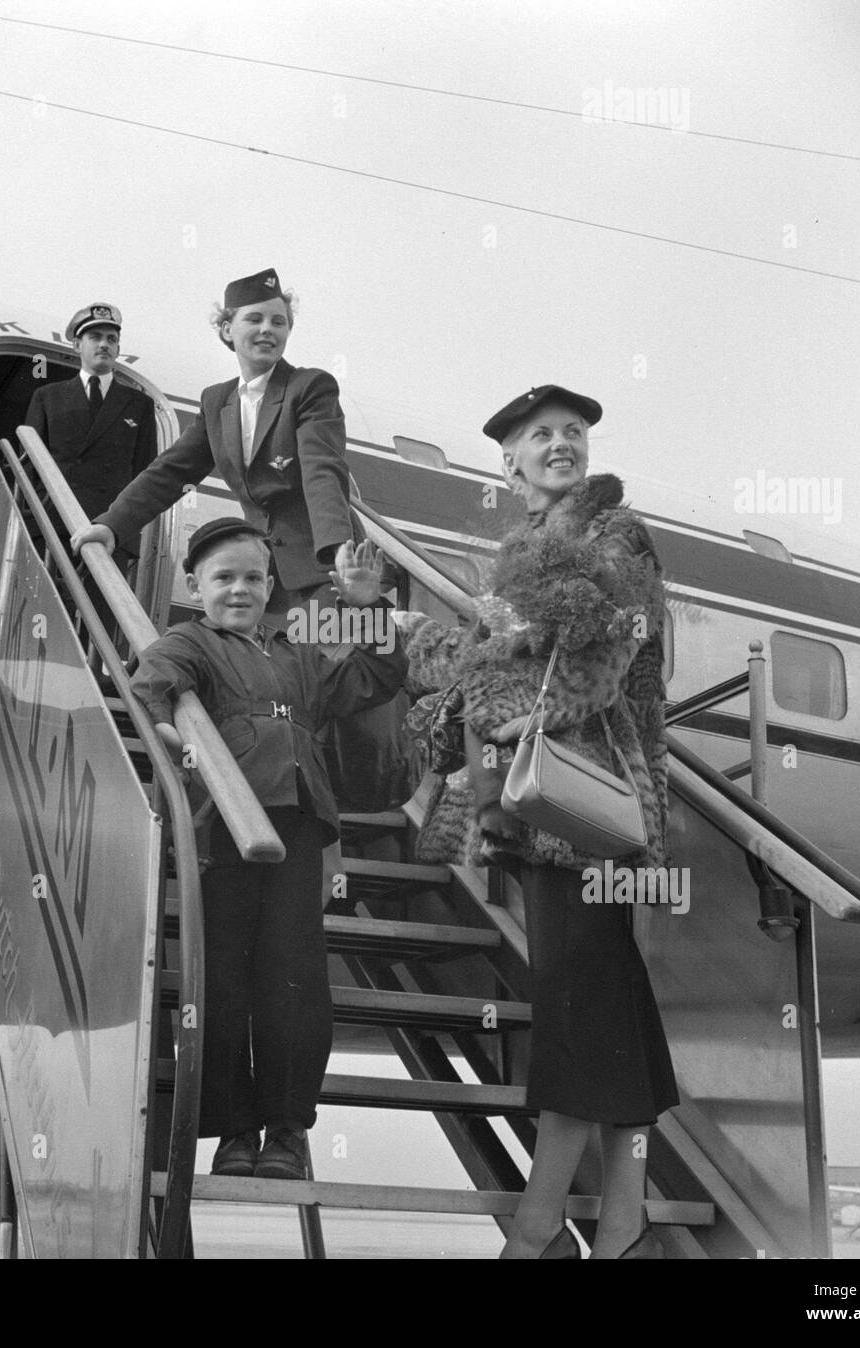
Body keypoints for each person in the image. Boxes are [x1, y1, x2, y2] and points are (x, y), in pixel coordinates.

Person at [397, 384, 677, 1258]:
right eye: (540, 436)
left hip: (586, 794)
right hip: (533, 802)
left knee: (572, 1003)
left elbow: (614, 644)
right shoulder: (518, 550)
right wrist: (459, 689)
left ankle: (537, 1223)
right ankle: (621, 1227)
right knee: (604, 1003)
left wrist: (517, 710)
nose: (560, 445)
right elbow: (497, 658)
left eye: (572, 433)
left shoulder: (613, 534)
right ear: (509, 460)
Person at [130, 518, 407, 1180]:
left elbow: (375, 677)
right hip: (225, 824)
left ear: (270, 584)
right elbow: (151, 691)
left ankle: (286, 1128)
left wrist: (369, 606)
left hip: (297, 824)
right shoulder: (190, 642)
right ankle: (233, 1129)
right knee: (221, 977)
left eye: (254, 577)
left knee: (296, 978)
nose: (240, 589)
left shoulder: (297, 655)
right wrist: (183, 746)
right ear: (196, 587)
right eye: (224, 578)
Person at [70, 269, 357, 615]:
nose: (268, 329)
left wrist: (340, 549)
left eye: (279, 322)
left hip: (325, 569)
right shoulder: (216, 402)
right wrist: (110, 526)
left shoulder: (310, 387)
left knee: (325, 665)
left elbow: (321, 469)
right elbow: (171, 472)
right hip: (264, 580)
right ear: (226, 329)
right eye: (255, 318)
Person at [26, 302, 158, 559]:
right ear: (77, 345)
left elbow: (145, 472)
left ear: (118, 349)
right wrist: (35, 522)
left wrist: (125, 528)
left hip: (109, 532)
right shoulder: (48, 397)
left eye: (111, 339)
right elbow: (30, 467)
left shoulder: (140, 405)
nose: (104, 345)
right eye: (95, 337)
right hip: (53, 527)